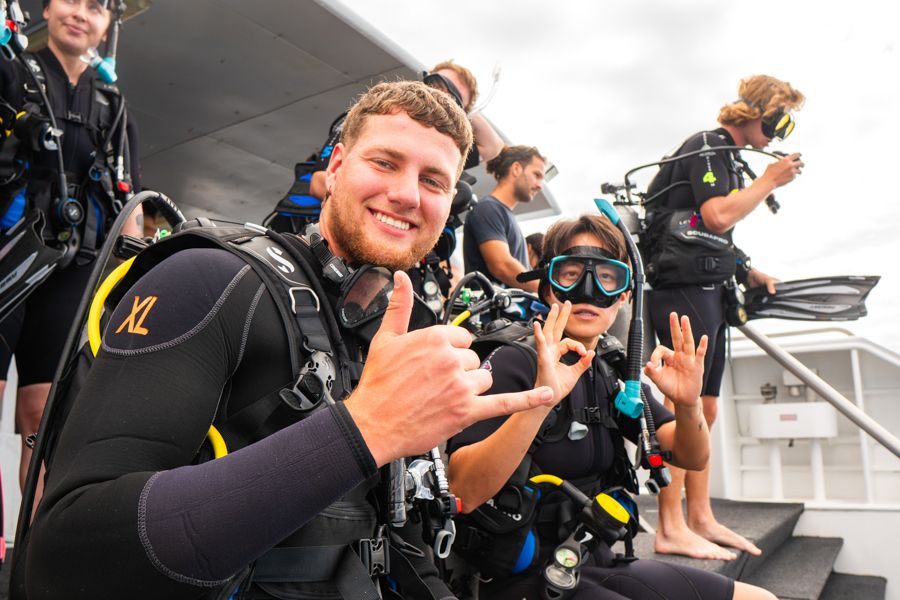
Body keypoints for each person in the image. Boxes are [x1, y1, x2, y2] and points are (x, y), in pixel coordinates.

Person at [19, 80, 554, 599]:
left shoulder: (389, 330)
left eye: (434, 181)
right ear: (338, 167)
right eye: (385, 163)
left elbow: (397, 541)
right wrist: (364, 429)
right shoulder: (209, 280)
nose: (407, 194)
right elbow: (66, 559)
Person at [446, 213, 775, 600]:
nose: (588, 289)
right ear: (548, 287)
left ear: (624, 295)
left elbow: (690, 454)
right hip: (523, 580)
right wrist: (537, 402)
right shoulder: (513, 361)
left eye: (607, 276)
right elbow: (463, 488)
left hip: (594, 560)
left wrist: (688, 405)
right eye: (571, 273)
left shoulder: (611, 369)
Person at [641, 75, 804, 559]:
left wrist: (749, 272)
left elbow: (714, 235)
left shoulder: (728, 158)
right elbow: (715, 216)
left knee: (706, 409)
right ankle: (670, 525)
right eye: (780, 118)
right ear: (758, 111)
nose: (780, 132)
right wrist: (769, 181)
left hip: (710, 288)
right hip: (680, 288)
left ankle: (700, 516)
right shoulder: (708, 144)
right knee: (681, 405)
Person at [0, 0, 142, 491]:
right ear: (46, 7)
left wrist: (136, 280)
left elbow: (132, 206)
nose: (81, 13)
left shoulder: (113, 106)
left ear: (107, 25)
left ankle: (31, 564)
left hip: (73, 271)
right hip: (8, 258)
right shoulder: (14, 73)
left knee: (42, 419)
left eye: (96, 7)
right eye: (71, 0)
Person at [266, 59, 503, 233]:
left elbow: (493, 147)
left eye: (451, 96)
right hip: (301, 231)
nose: (440, 94)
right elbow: (319, 180)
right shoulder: (374, 118)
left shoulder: (443, 147)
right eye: (436, 83)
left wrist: (464, 111)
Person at [462, 145, 544, 291]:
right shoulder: (488, 209)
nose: (540, 186)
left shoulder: (504, 214)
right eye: (537, 175)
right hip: (488, 312)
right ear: (516, 168)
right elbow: (501, 266)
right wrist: (548, 291)